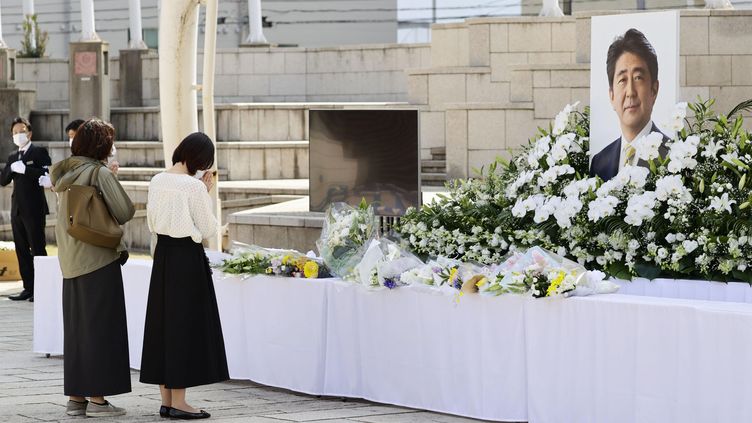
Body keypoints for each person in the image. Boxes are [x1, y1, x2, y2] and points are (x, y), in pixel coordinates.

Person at [49, 118, 135, 418]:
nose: (113, 147)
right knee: (101, 330)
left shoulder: (65, 173)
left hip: (70, 262)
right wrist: (112, 178)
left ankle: (76, 399)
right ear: (102, 145)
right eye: (110, 141)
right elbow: (124, 211)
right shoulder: (98, 172)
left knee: (77, 332)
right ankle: (98, 400)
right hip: (98, 259)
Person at [140, 132, 228, 420]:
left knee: (164, 324)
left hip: (163, 255)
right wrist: (207, 193)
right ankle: (179, 402)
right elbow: (209, 229)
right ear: (198, 159)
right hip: (186, 259)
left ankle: (166, 400)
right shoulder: (193, 187)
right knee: (184, 327)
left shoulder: (157, 180)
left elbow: (152, 221)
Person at [590, 28, 669, 182]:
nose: (630, 92)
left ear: (654, 89)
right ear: (612, 95)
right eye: (622, 80)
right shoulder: (599, 163)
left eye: (638, 78)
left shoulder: (673, 157)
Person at [0, 117, 51, 302]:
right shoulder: (13, 157)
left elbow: (46, 174)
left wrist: (26, 170)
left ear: (29, 133)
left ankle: (43, 289)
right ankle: (28, 288)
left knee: (38, 249)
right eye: (14, 133)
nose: (17, 135)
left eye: (21, 131)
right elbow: (3, 180)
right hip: (17, 210)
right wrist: (12, 169)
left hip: (34, 209)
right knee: (21, 249)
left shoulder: (39, 152)